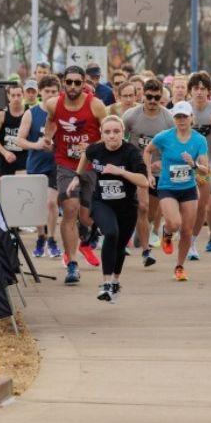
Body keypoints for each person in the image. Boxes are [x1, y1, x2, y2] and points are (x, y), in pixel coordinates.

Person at [68, 115, 148, 302]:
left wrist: (120, 171)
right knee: (111, 233)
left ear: (123, 133)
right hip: (102, 203)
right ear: (102, 134)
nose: (112, 136)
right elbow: (85, 155)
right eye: (107, 132)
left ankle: (115, 282)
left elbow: (144, 181)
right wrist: (76, 177)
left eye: (116, 132)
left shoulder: (132, 152)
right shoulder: (95, 149)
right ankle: (105, 283)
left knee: (120, 245)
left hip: (127, 206)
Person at [43, 65, 107, 284]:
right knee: (69, 210)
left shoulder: (96, 106)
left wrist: (90, 148)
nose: (72, 86)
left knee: (87, 218)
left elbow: (107, 135)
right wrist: (48, 137)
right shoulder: (54, 104)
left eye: (77, 82)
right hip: (65, 165)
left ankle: (86, 235)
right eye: (68, 82)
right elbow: (51, 121)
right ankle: (72, 264)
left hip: (89, 166)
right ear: (63, 83)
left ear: (84, 84)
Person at [144, 101, 209, 281]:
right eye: (178, 117)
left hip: (188, 188)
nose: (181, 120)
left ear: (191, 118)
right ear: (174, 119)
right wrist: (149, 173)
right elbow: (148, 151)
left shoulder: (199, 140)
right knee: (174, 223)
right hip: (167, 187)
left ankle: (179, 266)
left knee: (187, 231)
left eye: (184, 117)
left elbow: (206, 169)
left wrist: (193, 164)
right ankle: (167, 231)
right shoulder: (164, 136)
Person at [123, 78, 176, 266]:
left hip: (158, 170)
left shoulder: (168, 118)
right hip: (136, 167)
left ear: (161, 97)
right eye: (149, 97)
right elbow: (121, 140)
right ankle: (146, 252)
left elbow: (175, 144)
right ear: (142, 95)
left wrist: (162, 161)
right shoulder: (131, 116)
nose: (153, 101)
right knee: (142, 207)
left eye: (156, 97)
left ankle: (142, 233)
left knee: (151, 213)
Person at [15, 75, 62, 258]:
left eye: (54, 91)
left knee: (51, 202)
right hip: (35, 163)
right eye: (47, 91)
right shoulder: (31, 113)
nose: (50, 95)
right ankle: (41, 236)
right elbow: (19, 139)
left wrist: (56, 147)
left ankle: (52, 239)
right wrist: (36, 145)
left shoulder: (62, 113)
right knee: (37, 204)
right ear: (40, 92)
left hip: (56, 164)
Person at [188, 72, 211, 258]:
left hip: (206, 165)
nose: (199, 92)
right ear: (190, 91)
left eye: (203, 89)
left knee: (203, 206)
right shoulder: (183, 110)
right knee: (186, 206)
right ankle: (178, 231)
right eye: (196, 88)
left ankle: (192, 243)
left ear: (209, 91)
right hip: (183, 166)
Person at [0, 84, 27, 178]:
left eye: (18, 95)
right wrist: (5, 153)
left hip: (24, 159)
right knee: (5, 191)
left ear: (23, 95)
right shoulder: (2, 113)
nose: (16, 98)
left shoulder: (28, 112)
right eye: (13, 95)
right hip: (5, 159)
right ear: (8, 96)